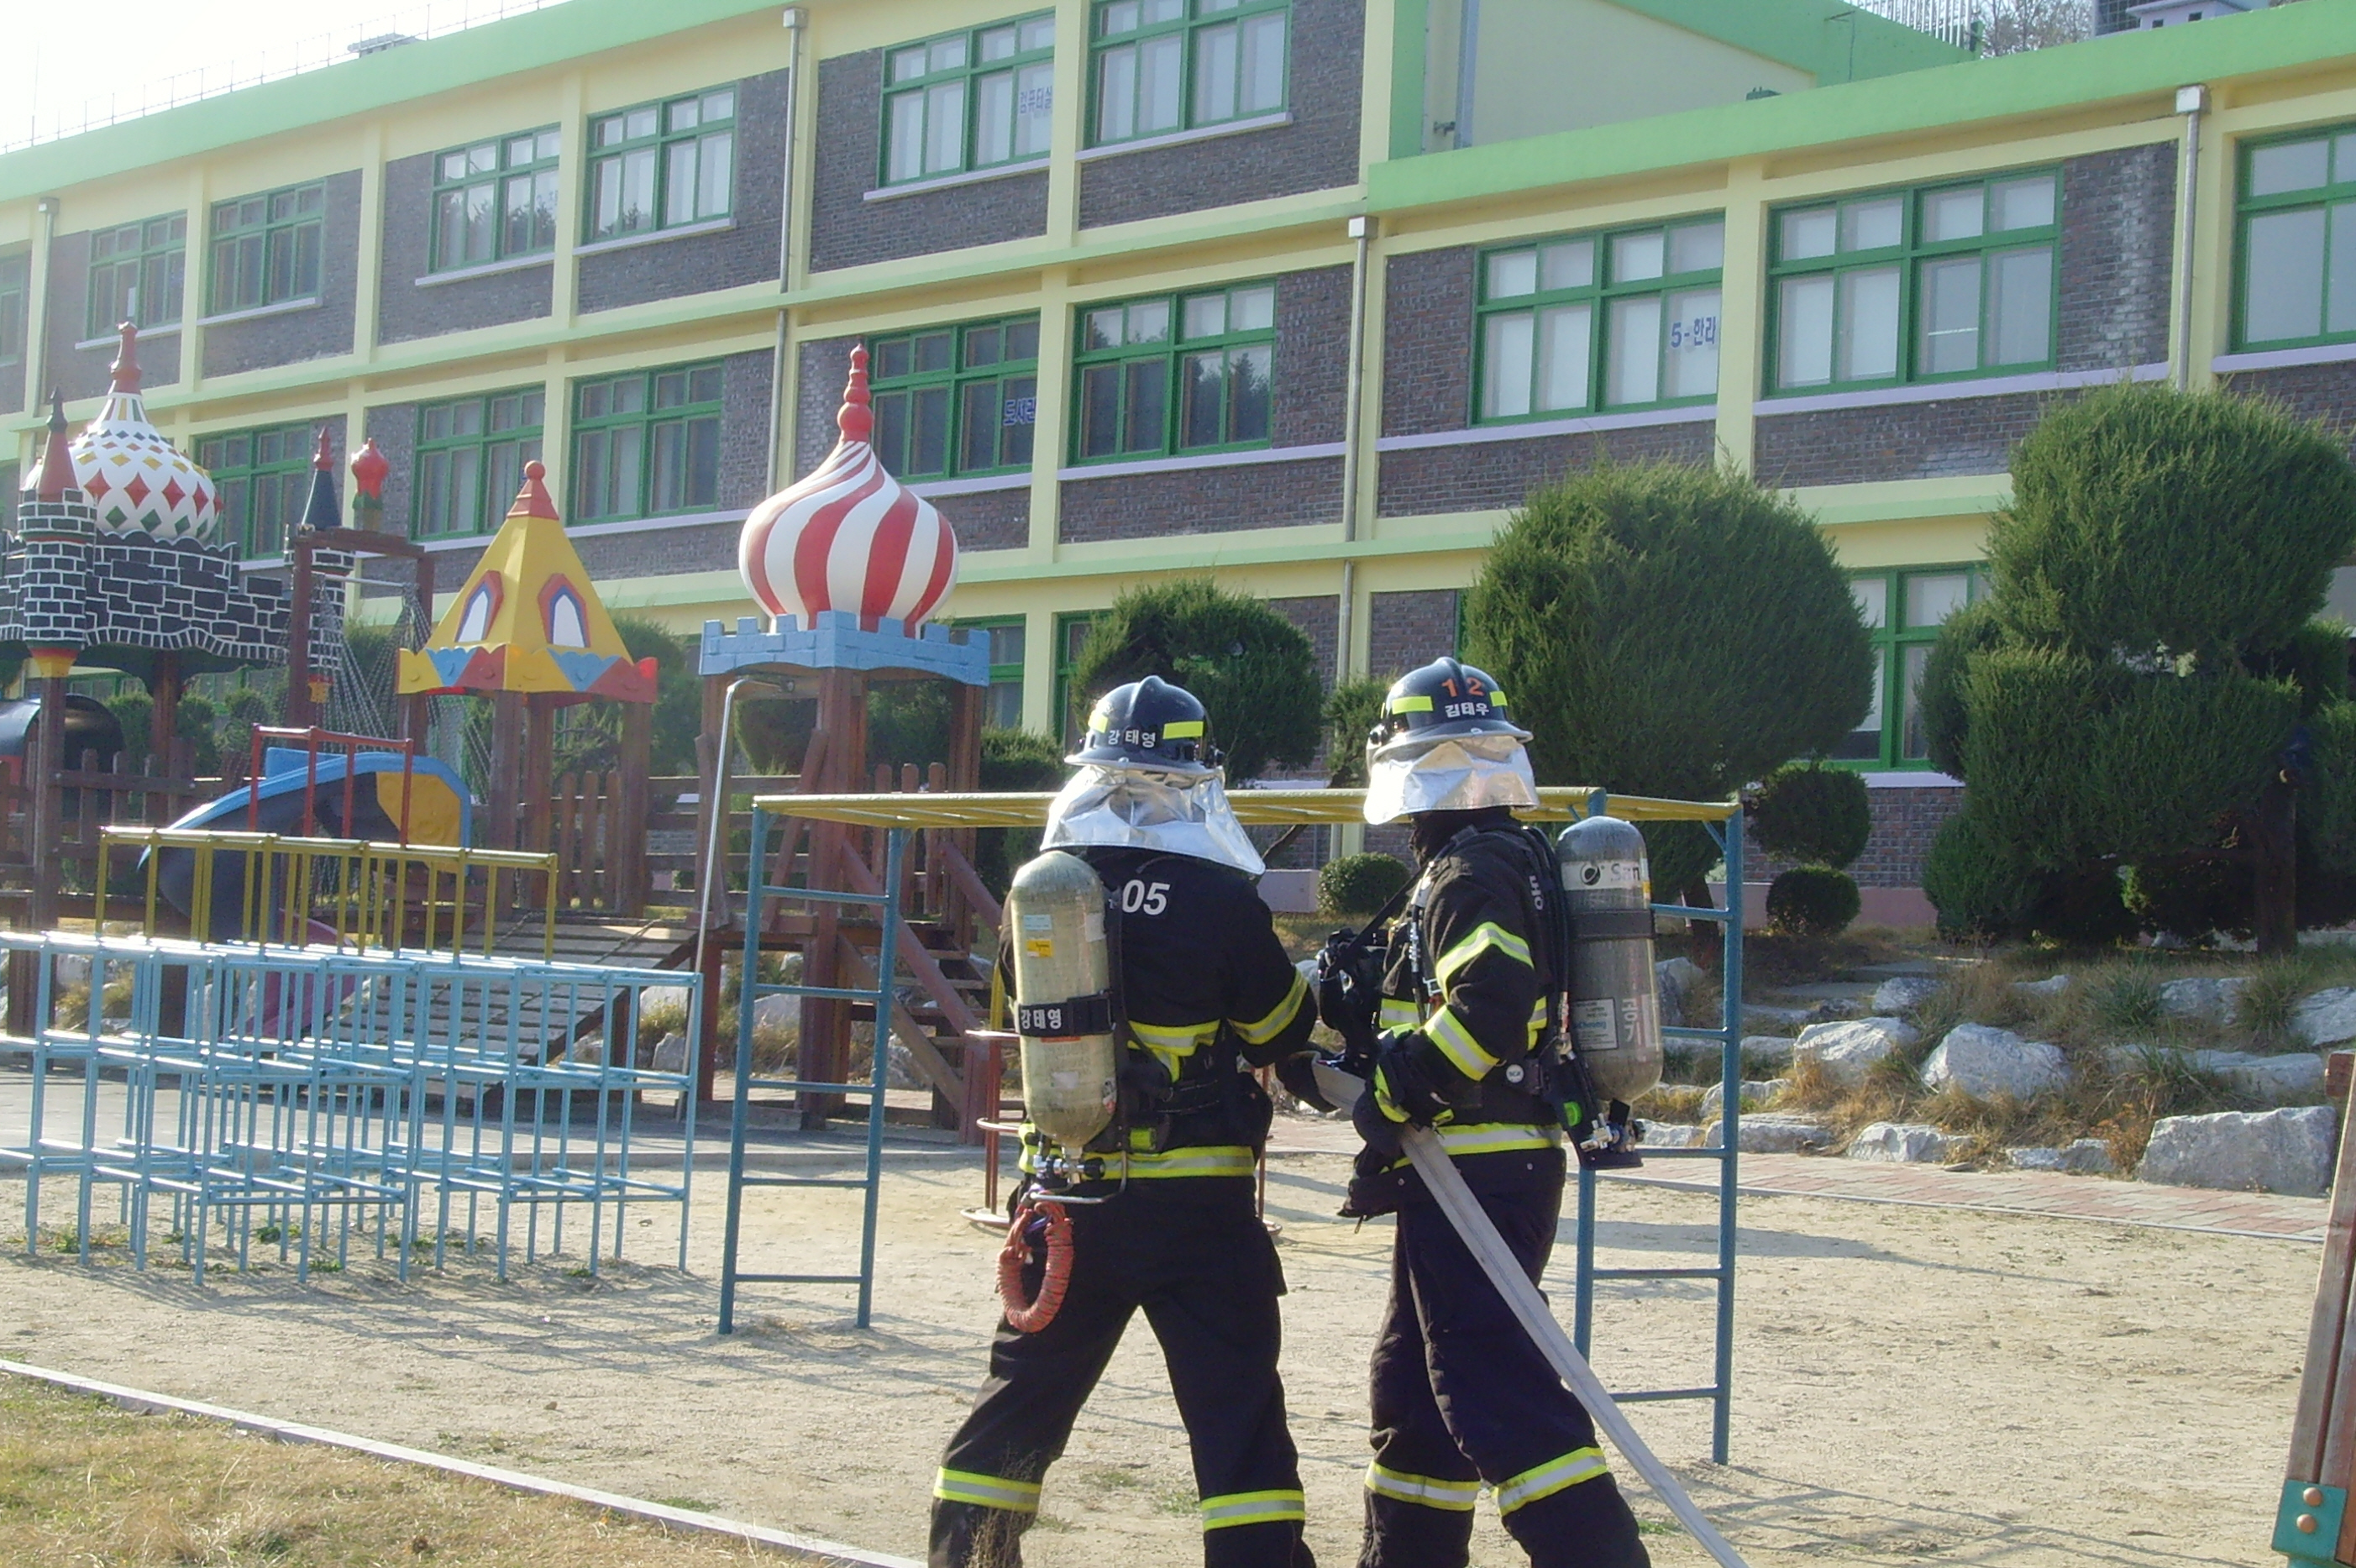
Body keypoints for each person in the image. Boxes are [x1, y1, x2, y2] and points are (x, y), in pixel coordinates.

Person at [931, 675, 1321, 1568]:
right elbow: (1281, 1029)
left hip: (1067, 1196)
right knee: (1237, 1425)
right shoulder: (1220, 898)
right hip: (1196, 1210)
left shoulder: (1043, 893)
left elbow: (1016, 1007)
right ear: (1195, 779)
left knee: (1016, 1411)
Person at [1333, 657, 1649, 1568]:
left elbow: (1493, 1000)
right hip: (1478, 1165)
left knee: (1493, 1387)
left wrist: (1397, 1086)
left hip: (1477, 1164)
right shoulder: (1506, 857)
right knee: (1415, 1393)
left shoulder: (1468, 872)